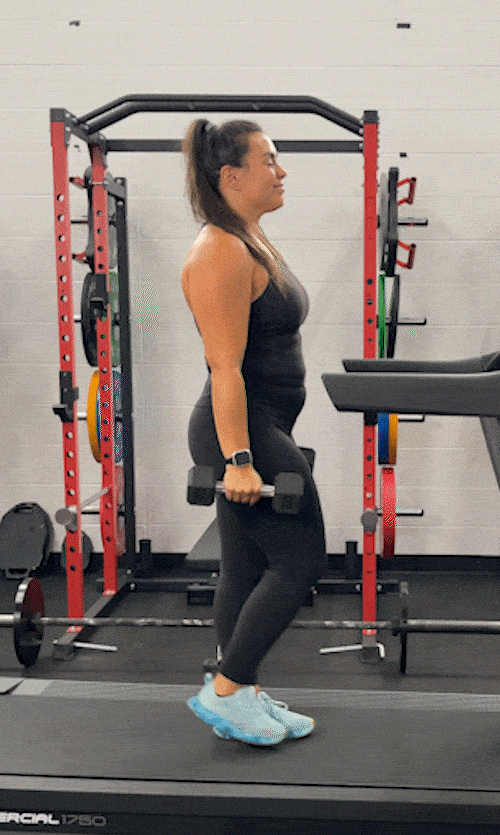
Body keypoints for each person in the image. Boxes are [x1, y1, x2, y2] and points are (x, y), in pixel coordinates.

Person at [181, 118, 326, 746]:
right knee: (300, 560)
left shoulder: (251, 238)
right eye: (270, 160)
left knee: (242, 567)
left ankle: (247, 690)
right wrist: (240, 459)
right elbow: (224, 366)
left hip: (261, 424)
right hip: (241, 431)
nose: (282, 169)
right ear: (231, 176)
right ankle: (228, 687)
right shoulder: (218, 249)